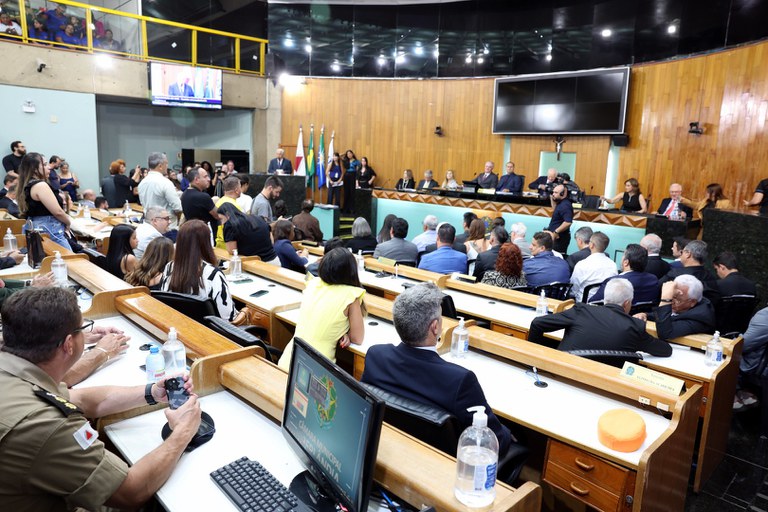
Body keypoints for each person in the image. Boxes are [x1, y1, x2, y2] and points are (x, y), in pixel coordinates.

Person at [0, 287, 202, 510]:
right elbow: (131, 492)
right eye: (82, 329)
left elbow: (81, 399)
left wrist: (151, 392)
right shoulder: (47, 426)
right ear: (69, 344)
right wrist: (183, 431)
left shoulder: (14, 372)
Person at [361, 282, 514, 457]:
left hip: (392, 447)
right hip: (441, 463)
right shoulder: (460, 380)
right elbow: (494, 441)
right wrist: (508, 432)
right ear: (435, 327)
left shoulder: (376, 356)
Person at [529, 278, 672, 356]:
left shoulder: (581, 310)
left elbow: (537, 324)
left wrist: (535, 357)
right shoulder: (634, 326)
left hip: (563, 373)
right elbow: (665, 350)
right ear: (627, 303)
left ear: (605, 298)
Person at [278, 248, 366, 369]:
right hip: (317, 370)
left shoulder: (313, 283)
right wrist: (345, 333)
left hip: (288, 359)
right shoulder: (351, 295)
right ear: (351, 271)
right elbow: (357, 339)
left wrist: (341, 332)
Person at [160, 220, 236, 321]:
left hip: (178, 324)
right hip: (206, 329)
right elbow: (227, 317)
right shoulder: (213, 274)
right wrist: (244, 312)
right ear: (206, 243)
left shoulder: (169, 267)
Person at [17, 152, 72, 250]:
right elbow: (58, 212)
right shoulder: (40, 185)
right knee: (70, 258)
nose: (49, 168)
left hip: (37, 225)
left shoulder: (28, 184)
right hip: (49, 229)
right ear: (34, 169)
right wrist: (68, 222)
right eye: (45, 165)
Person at [647, 275, 716, 340]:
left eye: (678, 300)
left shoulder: (699, 318)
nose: (671, 302)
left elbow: (665, 333)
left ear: (692, 302)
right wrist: (646, 315)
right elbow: (666, 314)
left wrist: (666, 300)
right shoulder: (682, 304)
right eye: (671, 297)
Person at [589, 244, 660, 305]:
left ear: (626, 262)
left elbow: (593, 302)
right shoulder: (653, 280)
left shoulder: (614, 282)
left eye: (623, 255)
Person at [138, 152, 182, 229]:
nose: (167, 166)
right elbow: (178, 207)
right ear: (160, 166)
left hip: (149, 224)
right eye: (166, 163)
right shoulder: (165, 182)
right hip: (167, 227)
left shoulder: (142, 183)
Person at [569, 232, 618, 302]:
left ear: (591, 245)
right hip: (604, 304)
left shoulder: (582, 264)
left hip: (583, 304)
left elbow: (573, 288)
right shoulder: (613, 265)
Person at [181, 167, 217, 231]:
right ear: (197, 180)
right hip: (204, 232)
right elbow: (218, 216)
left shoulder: (184, 195)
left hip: (191, 231)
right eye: (205, 177)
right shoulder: (203, 196)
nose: (209, 179)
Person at [214, 176, 243, 249]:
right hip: (230, 245)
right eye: (240, 187)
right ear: (236, 190)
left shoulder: (219, 202)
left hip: (219, 243)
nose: (241, 190)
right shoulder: (234, 206)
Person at [545, 184, 573, 254]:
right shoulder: (561, 203)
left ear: (563, 194)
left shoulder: (565, 205)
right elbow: (555, 209)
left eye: (556, 192)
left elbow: (568, 222)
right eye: (553, 192)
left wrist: (556, 232)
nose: (553, 194)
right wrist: (552, 197)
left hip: (560, 238)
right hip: (555, 237)